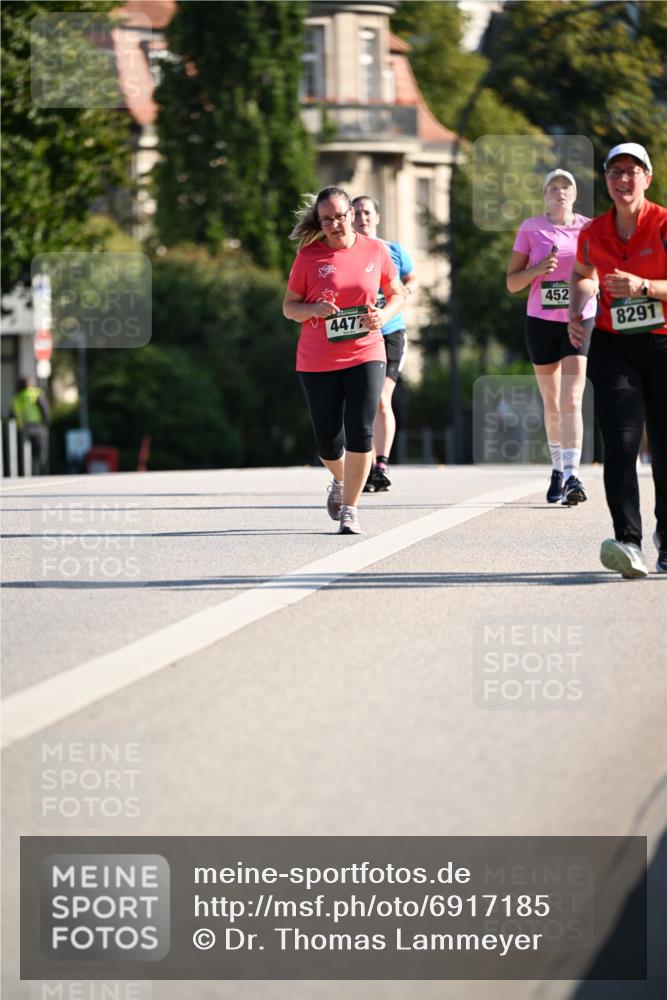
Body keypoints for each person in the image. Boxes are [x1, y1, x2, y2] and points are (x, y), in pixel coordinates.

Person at [568, 142, 667, 577]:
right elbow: (582, 275)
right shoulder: (593, 232)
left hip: (663, 343)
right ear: (606, 180)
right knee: (622, 445)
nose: (623, 180)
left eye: (632, 172)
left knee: (664, 448)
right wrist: (577, 306)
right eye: (615, 173)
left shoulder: (663, 224)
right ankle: (628, 541)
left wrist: (644, 286)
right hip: (613, 344)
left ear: (647, 177)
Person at [283, 186, 404, 535]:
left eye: (339, 216)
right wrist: (313, 310)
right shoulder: (309, 256)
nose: (335, 224)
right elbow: (288, 307)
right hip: (317, 359)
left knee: (361, 432)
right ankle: (340, 478)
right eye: (327, 219)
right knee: (327, 442)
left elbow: (397, 293)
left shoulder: (376, 250)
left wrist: (383, 314)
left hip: (367, 351)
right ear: (319, 222)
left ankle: (351, 509)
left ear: (351, 213)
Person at [507, 169, 595, 505]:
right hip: (540, 320)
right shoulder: (531, 228)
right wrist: (537, 269)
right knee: (552, 402)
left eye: (566, 187)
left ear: (574, 195)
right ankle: (558, 468)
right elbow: (513, 283)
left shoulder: (588, 228)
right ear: (545, 195)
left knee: (572, 398)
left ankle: (573, 475)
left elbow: (596, 273)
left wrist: (587, 294)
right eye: (554, 188)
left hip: (578, 318)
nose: (560, 192)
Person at [351, 196, 419, 493]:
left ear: (377, 217)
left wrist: (407, 290)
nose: (362, 217)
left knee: (380, 399)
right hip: (358, 334)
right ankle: (360, 464)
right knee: (361, 401)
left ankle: (380, 465)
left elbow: (412, 278)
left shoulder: (393, 249)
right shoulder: (346, 252)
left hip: (390, 331)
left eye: (367, 212)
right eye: (356, 213)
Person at [12, 376, 50, 475]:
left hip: (24, 428)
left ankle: (25, 473)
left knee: (25, 453)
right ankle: (40, 474)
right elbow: (44, 410)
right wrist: (46, 423)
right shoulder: (36, 394)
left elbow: (13, 414)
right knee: (39, 453)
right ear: (30, 384)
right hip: (37, 427)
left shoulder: (17, 398)